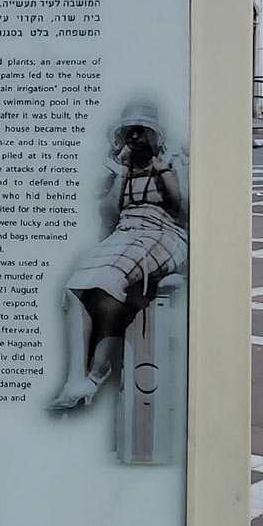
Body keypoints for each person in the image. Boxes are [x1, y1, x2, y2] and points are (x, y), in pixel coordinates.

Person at [49, 108, 187, 412]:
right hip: (125, 233)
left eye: (141, 129)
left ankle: (96, 372)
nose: (135, 136)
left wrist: (163, 171)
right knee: (76, 287)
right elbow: (109, 216)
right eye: (130, 131)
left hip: (163, 234)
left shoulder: (172, 162)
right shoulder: (120, 169)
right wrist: (121, 175)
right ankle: (78, 378)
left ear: (155, 133)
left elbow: (182, 209)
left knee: (107, 281)